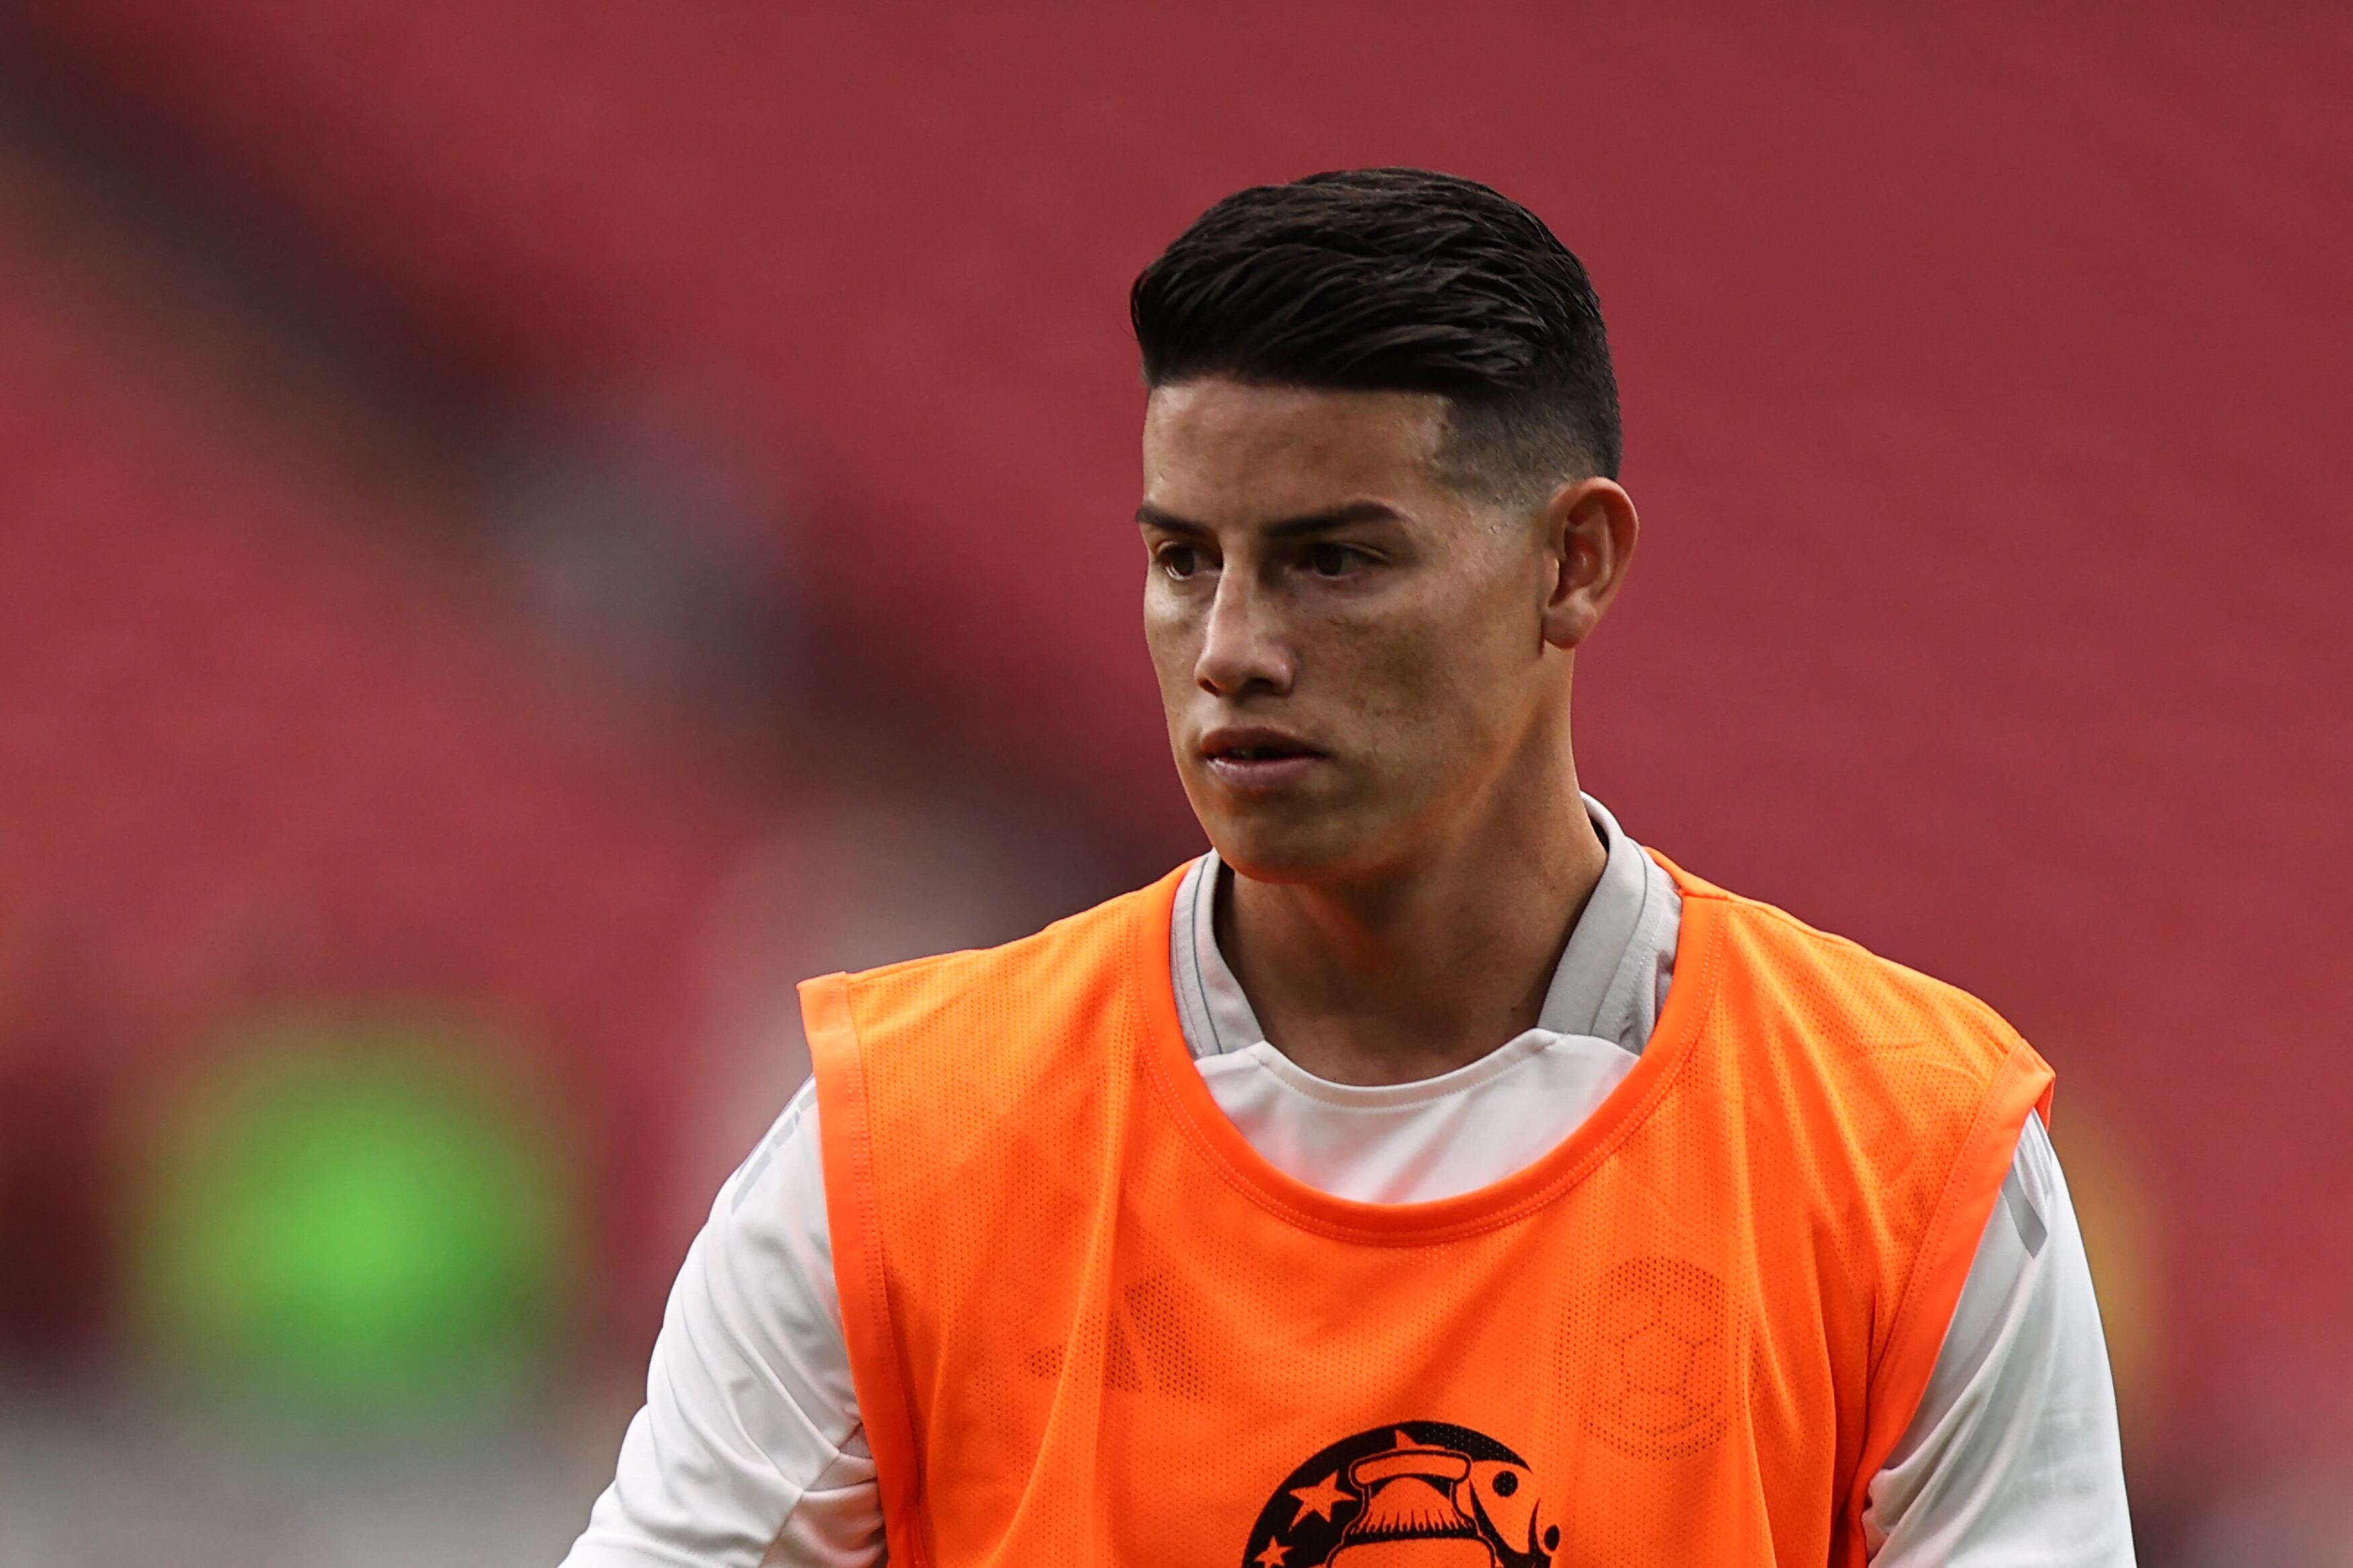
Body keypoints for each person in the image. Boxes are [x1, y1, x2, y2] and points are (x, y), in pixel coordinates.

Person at [560, 168, 2134, 1567]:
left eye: (1335, 560)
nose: (1232, 650)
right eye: (1185, 560)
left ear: (1571, 564)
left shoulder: (1908, 1155)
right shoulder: (898, 1149)